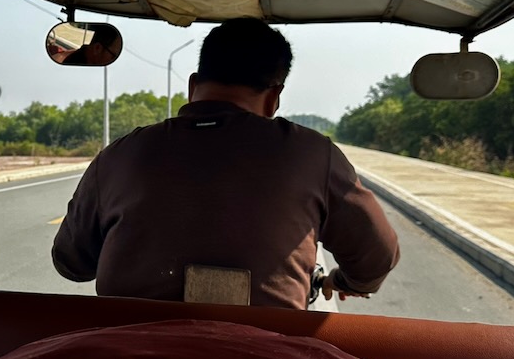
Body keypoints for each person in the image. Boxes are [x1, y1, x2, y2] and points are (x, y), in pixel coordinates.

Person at [51, 17, 399, 308]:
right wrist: (343, 280)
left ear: (193, 86)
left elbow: (72, 263)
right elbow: (376, 259)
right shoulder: (313, 154)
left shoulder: (119, 154)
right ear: (274, 97)